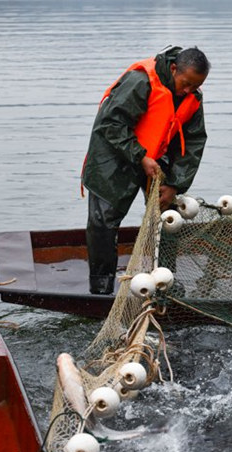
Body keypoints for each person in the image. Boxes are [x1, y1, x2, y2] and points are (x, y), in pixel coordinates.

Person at [82, 46, 210, 295]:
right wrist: (139, 156)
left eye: (195, 86)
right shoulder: (140, 82)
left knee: (168, 215)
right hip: (113, 153)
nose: (188, 91)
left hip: (155, 155)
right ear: (174, 69)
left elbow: (194, 142)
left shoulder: (192, 96)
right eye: (185, 84)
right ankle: (101, 287)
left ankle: (164, 280)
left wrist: (175, 184)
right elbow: (111, 124)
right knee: (103, 221)